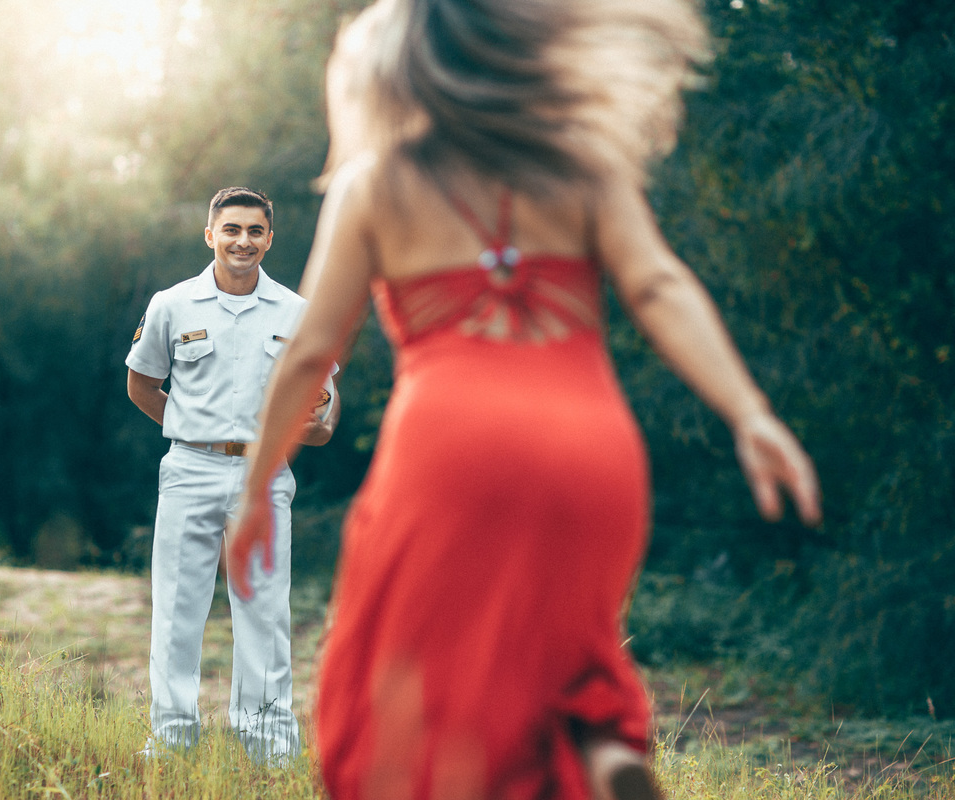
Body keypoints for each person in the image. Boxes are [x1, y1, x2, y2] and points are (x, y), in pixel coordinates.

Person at [229, 0, 822, 797]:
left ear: (402, 71)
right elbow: (658, 285)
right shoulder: (580, 168)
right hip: (590, 448)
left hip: (449, 449)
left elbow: (310, 352)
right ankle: (602, 754)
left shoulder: (375, 184)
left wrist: (256, 486)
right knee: (565, 651)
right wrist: (751, 414)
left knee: (404, 669)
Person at [126, 186, 339, 762]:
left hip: (263, 474)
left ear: (269, 239)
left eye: (254, 231)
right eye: (231, 229)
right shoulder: (172, 304)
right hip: (189, 468)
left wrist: (320, 422)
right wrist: (192, 426)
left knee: (265, 609)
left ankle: (267, 741)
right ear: (210, 235)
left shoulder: (296, 313)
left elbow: (325, 401)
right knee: (177, 608)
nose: (242, 241)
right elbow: (141, 385)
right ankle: (172, 736)